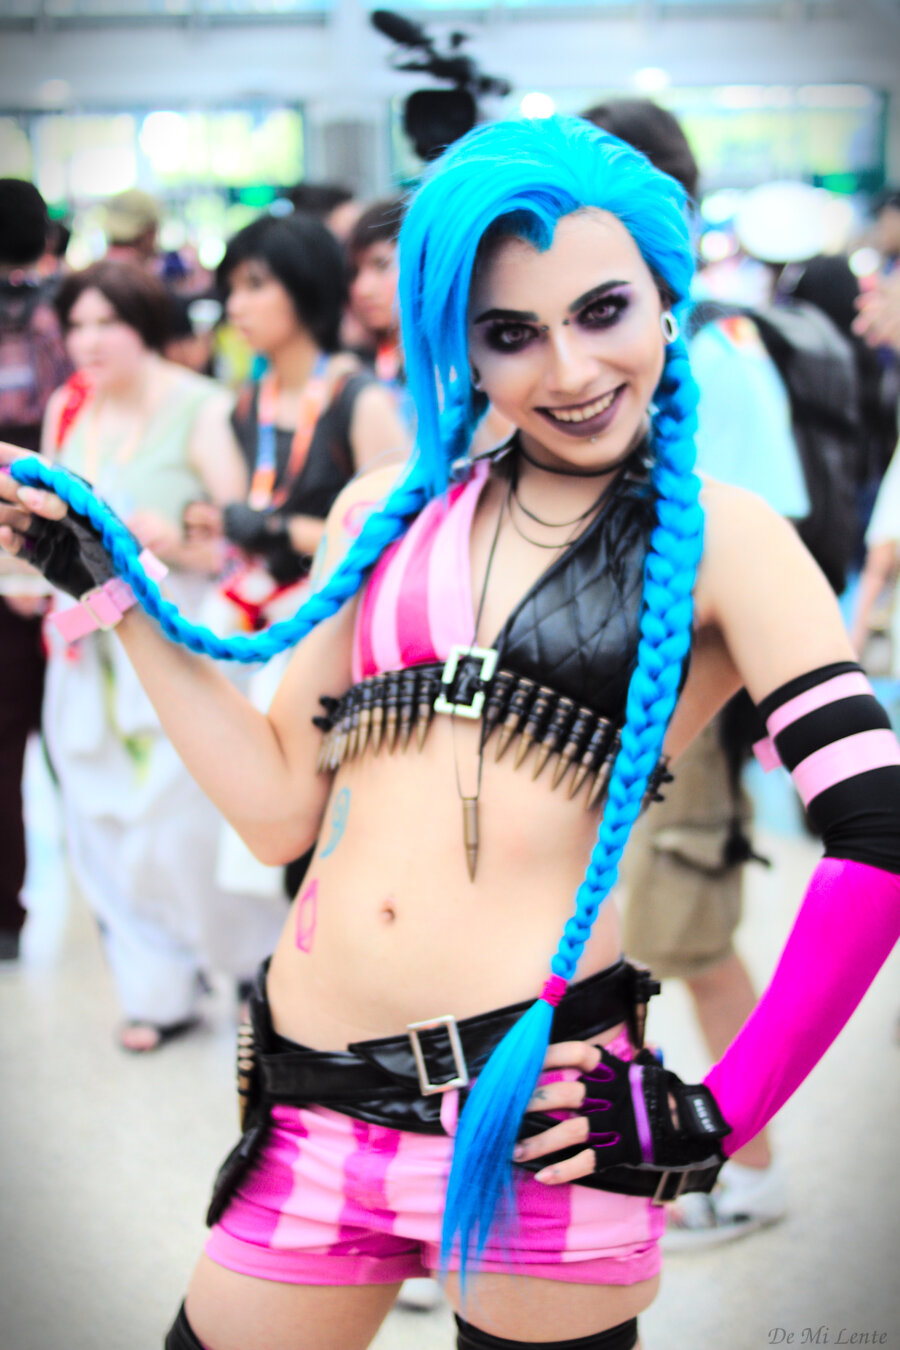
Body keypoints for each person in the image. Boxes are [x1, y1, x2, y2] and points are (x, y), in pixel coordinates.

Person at [1, 117, 898, 1350]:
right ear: (457, 346)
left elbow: (878, 830)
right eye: (511, 333)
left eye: (602, 311)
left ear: (665, 298)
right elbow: (277, 808)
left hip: (543, 1125)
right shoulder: (384, 513)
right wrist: (111, 585)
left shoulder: (728, 540)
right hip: (311, 1101)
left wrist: (721, 1113)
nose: (570, 369)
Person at [581, 99, 805, 1246]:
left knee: (690, 933)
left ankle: (749, 1163)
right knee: (631, 937)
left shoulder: (715, 350)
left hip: (689, 697)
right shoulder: (622, 346)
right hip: (608, 694)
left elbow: (768, 535)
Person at [38, 258, 284, 1051]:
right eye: (77, 324)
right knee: (98, 808)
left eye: (107, 322)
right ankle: (156, 988)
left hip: (180, 631)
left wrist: (172, 541)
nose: (89, 340)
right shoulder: (69, 406)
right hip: (85, 637)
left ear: (143, 325)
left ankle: (248, 965)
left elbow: (238, 544)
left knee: (186, 814)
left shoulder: (201, 407)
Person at [184, 211, 409, 637]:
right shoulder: (249, 401)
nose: (235, 306)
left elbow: (396, 534)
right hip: (263, 615)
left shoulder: (359, 401)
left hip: (341, 622)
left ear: (305, 285)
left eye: (255, 285)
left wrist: (277, 529)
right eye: (232, 289)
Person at [0, 178, 70, 962]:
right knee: (78, 738)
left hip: (19, 557)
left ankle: (7, 915)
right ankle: (111, 897)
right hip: (57, 554)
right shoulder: (62, 316)